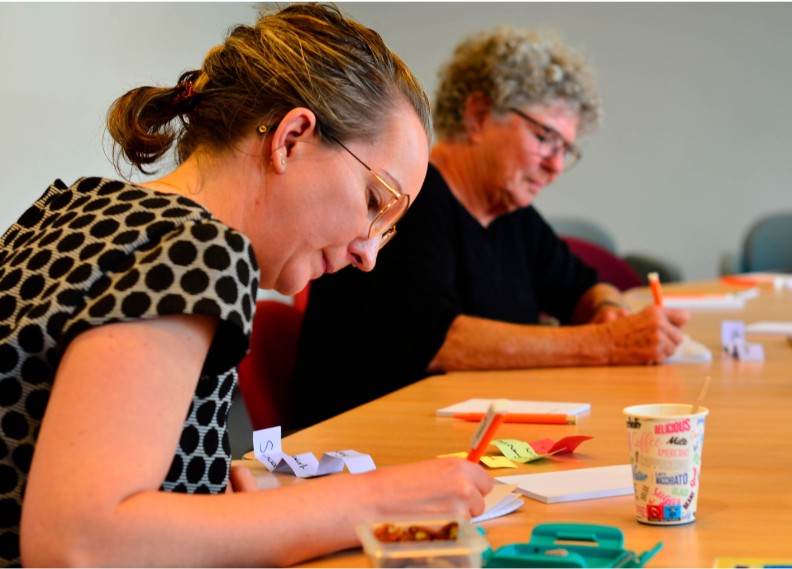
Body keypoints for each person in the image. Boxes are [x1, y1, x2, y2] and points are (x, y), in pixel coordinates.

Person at [0, 4, 493, 567]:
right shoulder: (199, 250)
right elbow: (78, 545)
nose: (368, 254)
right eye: (375, 204)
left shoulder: (75, 207)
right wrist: (378, 499)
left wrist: (209, 508)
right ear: (291, 139)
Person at [291, 25, 691, 429]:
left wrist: (609, 310)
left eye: (565, 150)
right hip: (372, 441)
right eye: (545, 137)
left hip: (464, 439)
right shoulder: (412, 203)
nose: (555, 164)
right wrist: (606, 344)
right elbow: (436, 340)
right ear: (478, 116)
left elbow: (583, 287)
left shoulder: (511, 215)